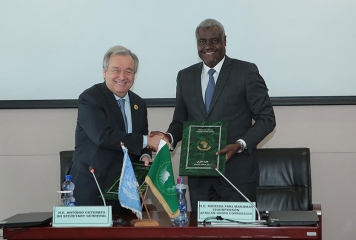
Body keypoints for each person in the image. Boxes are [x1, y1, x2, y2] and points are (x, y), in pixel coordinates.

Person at [150, 19, 276, 212]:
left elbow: (267, 118)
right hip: (200, 178)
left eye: (214, 40)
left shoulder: (246, 72)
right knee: (203, 235)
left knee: (238, 236)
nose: (208, 46)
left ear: (224, 41)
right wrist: (169, 137)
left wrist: (240, 145)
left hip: (237, 175)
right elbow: (181, 121)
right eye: (202, 42)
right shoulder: (185, 76)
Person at [70, 45, 160, 211]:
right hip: (94, 187)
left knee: (129, 237)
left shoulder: (138, 103)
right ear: (105, 72)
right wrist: (148, 141)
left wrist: (146, 154)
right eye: (116, 70)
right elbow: (103, 136)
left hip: (128, 190)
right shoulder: (90, 98)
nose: (122, 76)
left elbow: (139, 138)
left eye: (128, 71)